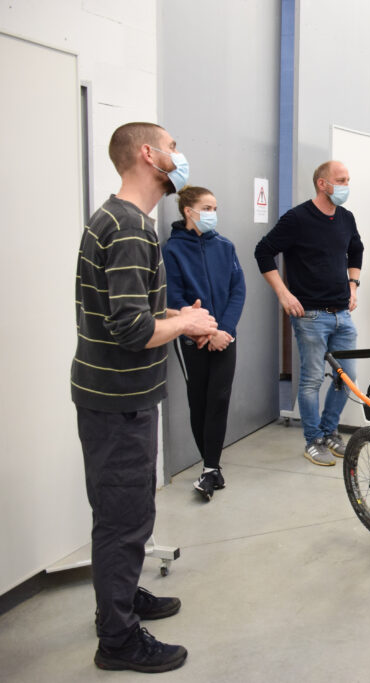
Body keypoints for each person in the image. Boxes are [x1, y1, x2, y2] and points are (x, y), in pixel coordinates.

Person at [73, 122, 218, 672]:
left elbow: (125, 317)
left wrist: (179, 317)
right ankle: (118, 639)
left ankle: (122, 597)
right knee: (122, 518)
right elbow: (132, 331)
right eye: (174, 147)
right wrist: (181, 327)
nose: (180, 156)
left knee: (125, 510)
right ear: (147, 154)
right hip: (117, 399)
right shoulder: (130, 228)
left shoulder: (118, 218)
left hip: (113, 394)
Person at [255, 161, 363, 467]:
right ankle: (313, 440)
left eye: (347, 179)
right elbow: (263, 251)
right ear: (322, 184)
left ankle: (330, 432)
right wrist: (283, 293)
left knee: (348, 378)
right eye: (340, 180)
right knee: (312, 380)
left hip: (342, 313)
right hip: (310, 316)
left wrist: (353, 286)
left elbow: (356, 250)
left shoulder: (346, 218)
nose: (346, 185)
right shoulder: (297, 218)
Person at [163, 185, 246, 500]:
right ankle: (211, 468)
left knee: (219, 399)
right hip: (192, 339)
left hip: (225, 337)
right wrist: (204, 332)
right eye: (207, 207)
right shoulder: (172, 250)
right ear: (189, 211)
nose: (213, 213)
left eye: (215, 208)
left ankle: (211, 468)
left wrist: (223, 329)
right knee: (198, 401)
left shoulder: (225, 246)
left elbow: (238, 290)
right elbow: (174, 297)